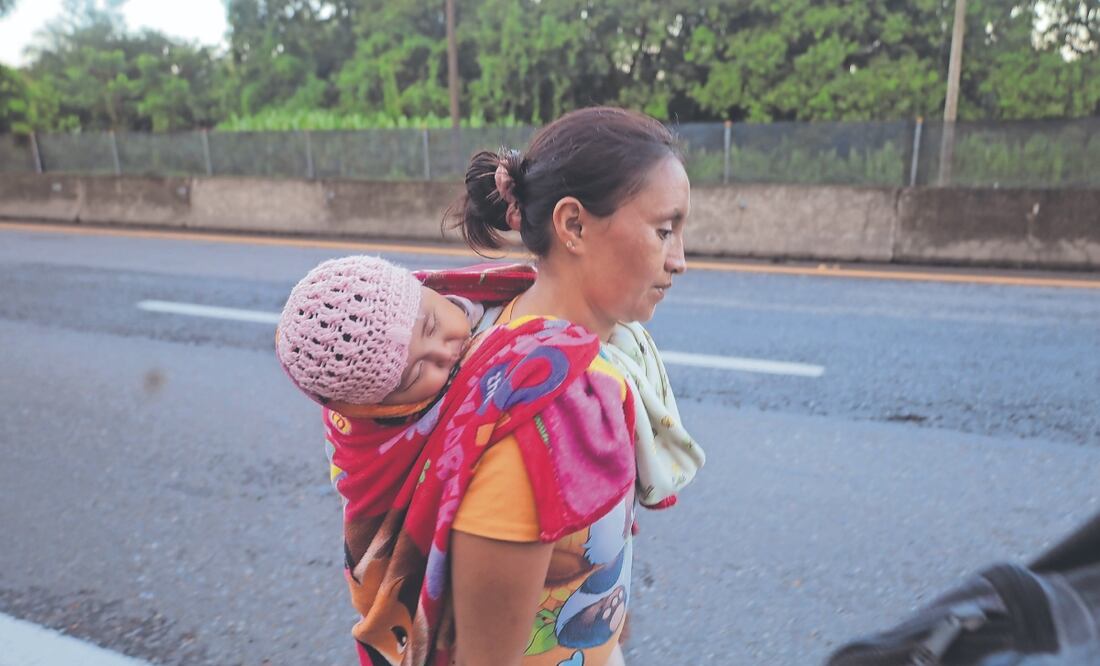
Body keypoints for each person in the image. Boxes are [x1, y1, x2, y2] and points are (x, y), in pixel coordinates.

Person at [279, 106, 703, 666]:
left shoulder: (529, 331)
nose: (679, 260)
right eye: (664, 230)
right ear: (572, 225)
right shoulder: (544, 409)